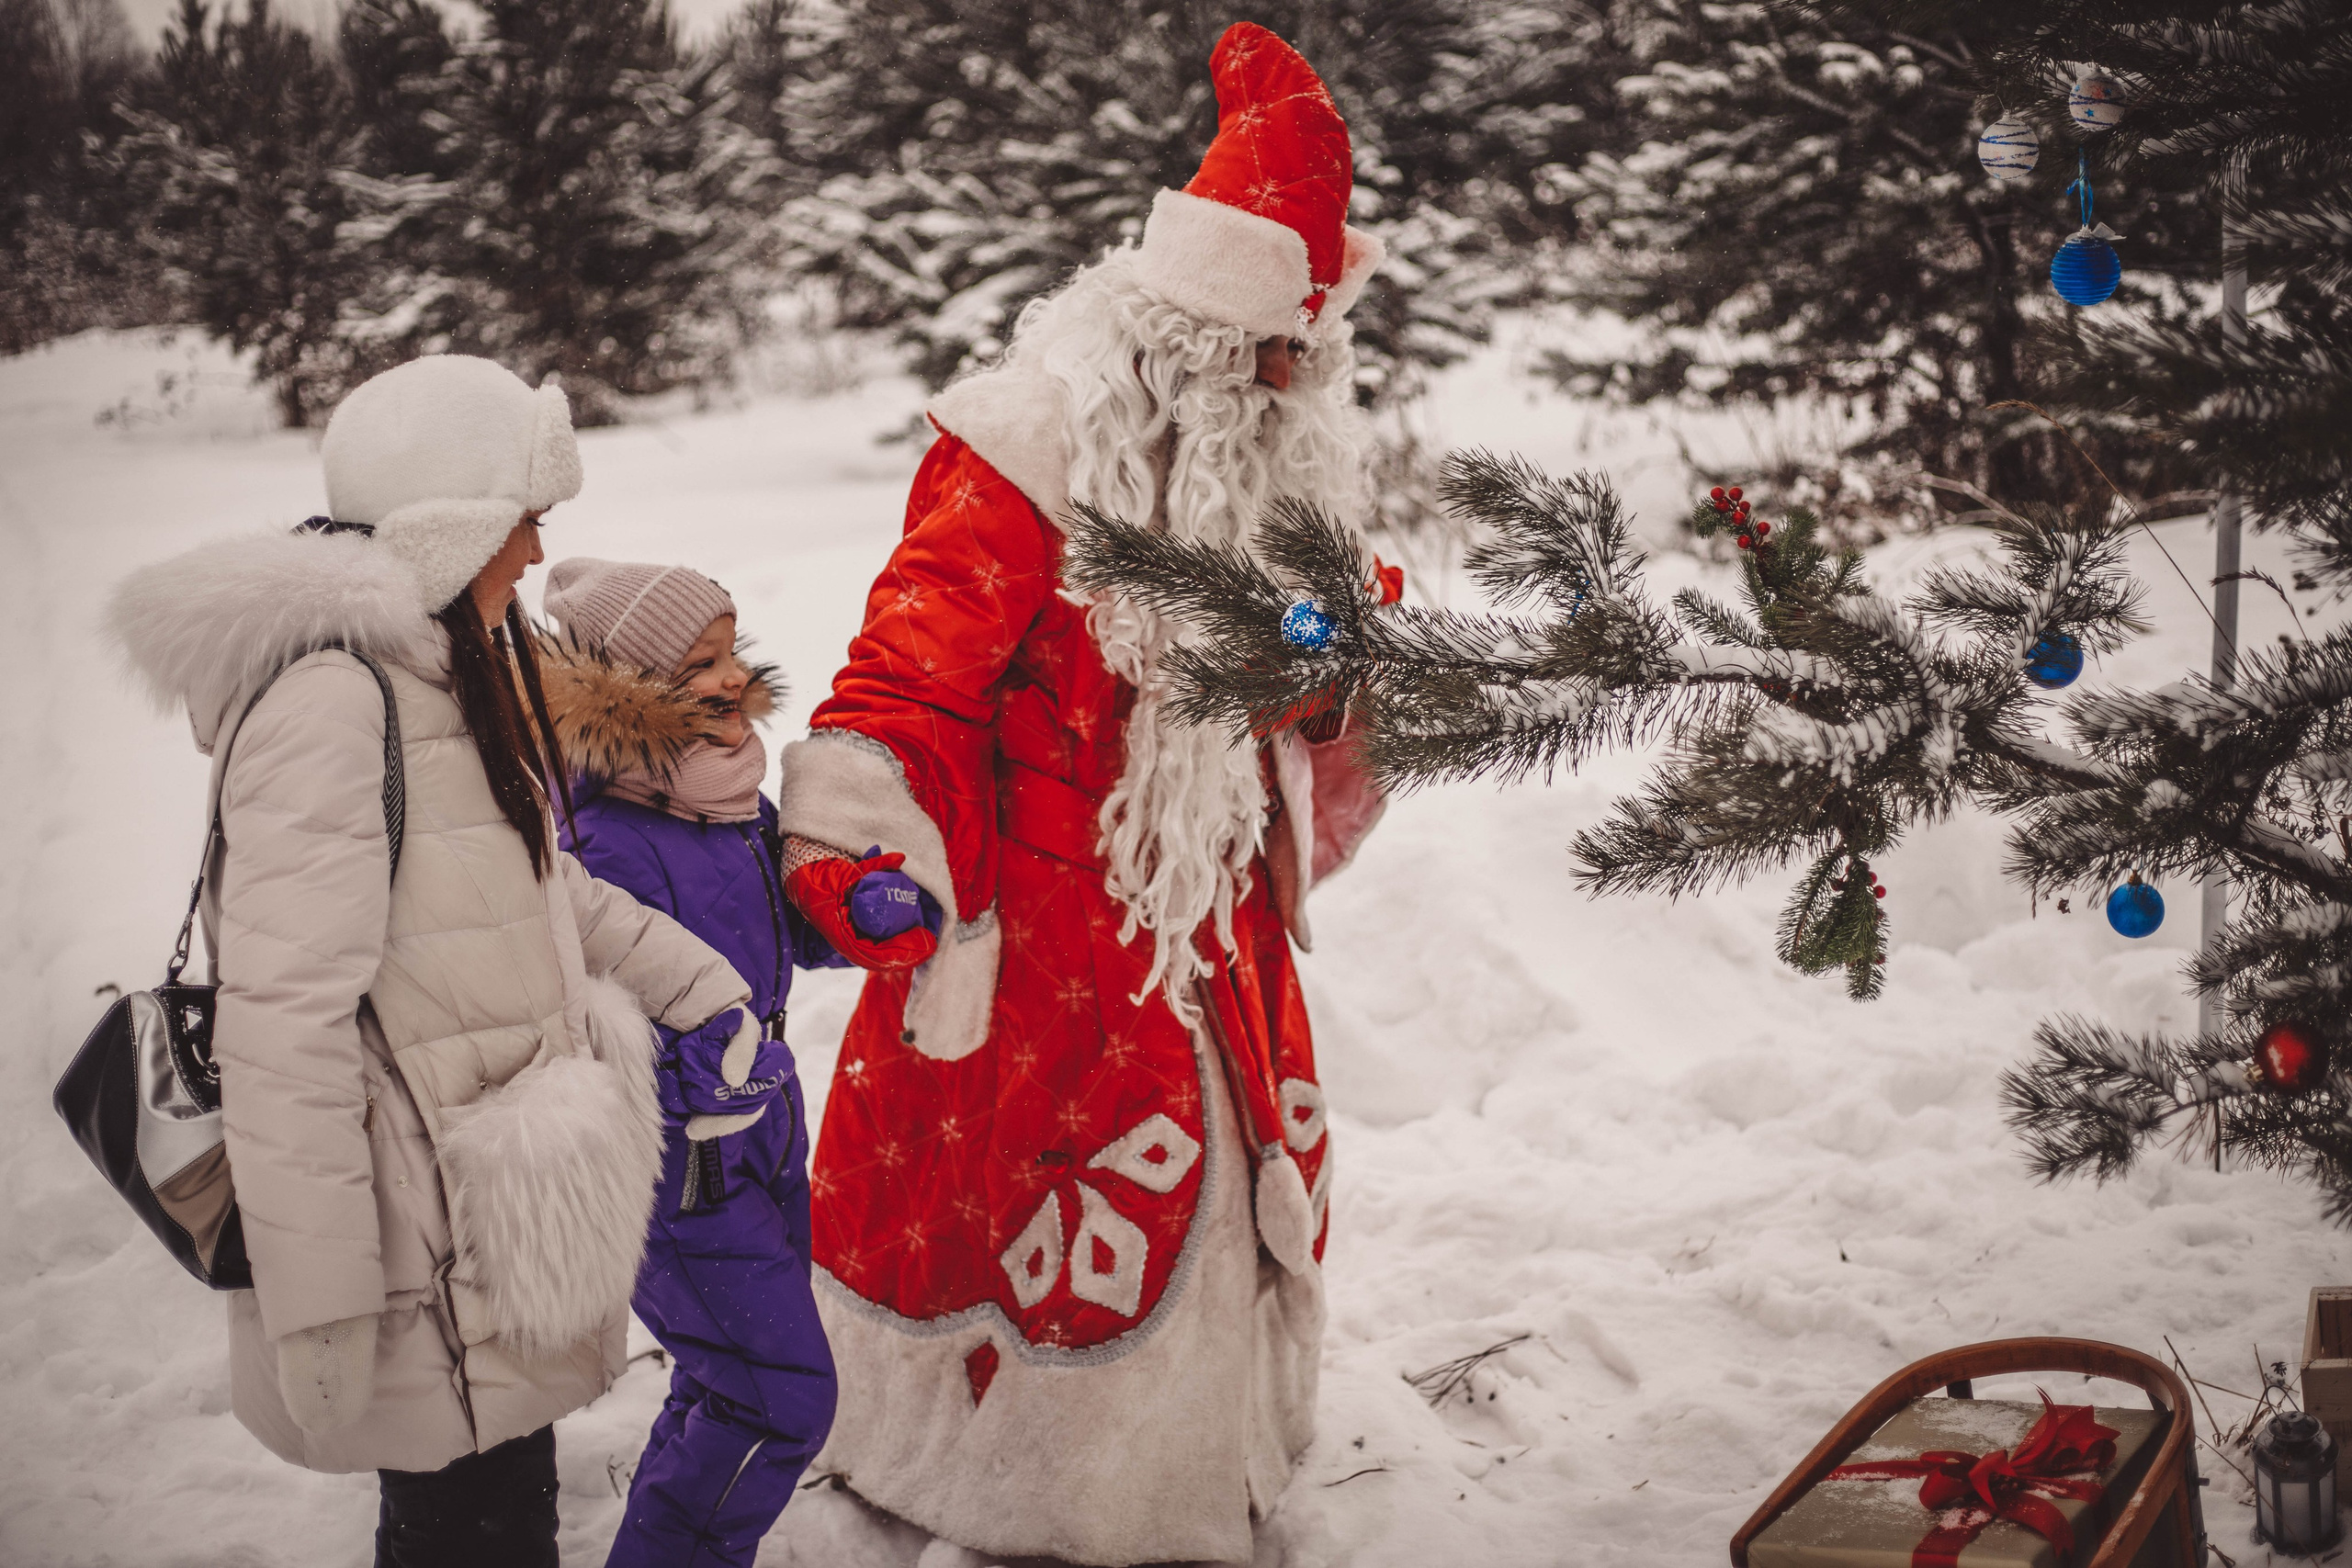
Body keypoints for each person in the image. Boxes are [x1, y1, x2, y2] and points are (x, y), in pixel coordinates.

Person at [775, 22, 1390, 1565]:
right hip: (1048, 932)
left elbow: (1297, 662)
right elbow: (907, 675)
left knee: (1228, 1183)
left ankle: (1190, 1473)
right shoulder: (1029, 442)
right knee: (1072, 1214)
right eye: (1259, 352)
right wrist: (866, 833)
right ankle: (1045, 1490)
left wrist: (1338, 674)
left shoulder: (1265, 451)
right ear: (1178, 327)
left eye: (1301, 356)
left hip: (1210, 903)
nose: (1281, 378)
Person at [106, 355, 763, 1568]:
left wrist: (694, 982)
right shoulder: (335, 704)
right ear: (448, 527)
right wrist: (322, 1304)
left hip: (473, 1225)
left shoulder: (436, 668)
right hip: (413, 1244)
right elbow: (282, 1019)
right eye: (524, 523)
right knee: (472, 1532)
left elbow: (529, 885)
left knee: (489, 1517)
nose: (533, 556)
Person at [534, 558, 937, 1567]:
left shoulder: (720, 798)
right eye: (696, 661)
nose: (727, 677)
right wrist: (698, 1082)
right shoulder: (603, 839)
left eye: (728, 652)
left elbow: (774, 930)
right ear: (625, 685)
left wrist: (855, 909)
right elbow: (595, 1011)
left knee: (729, 1383)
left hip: (759, 1127)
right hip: (681, 1168)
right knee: (780, 1396)